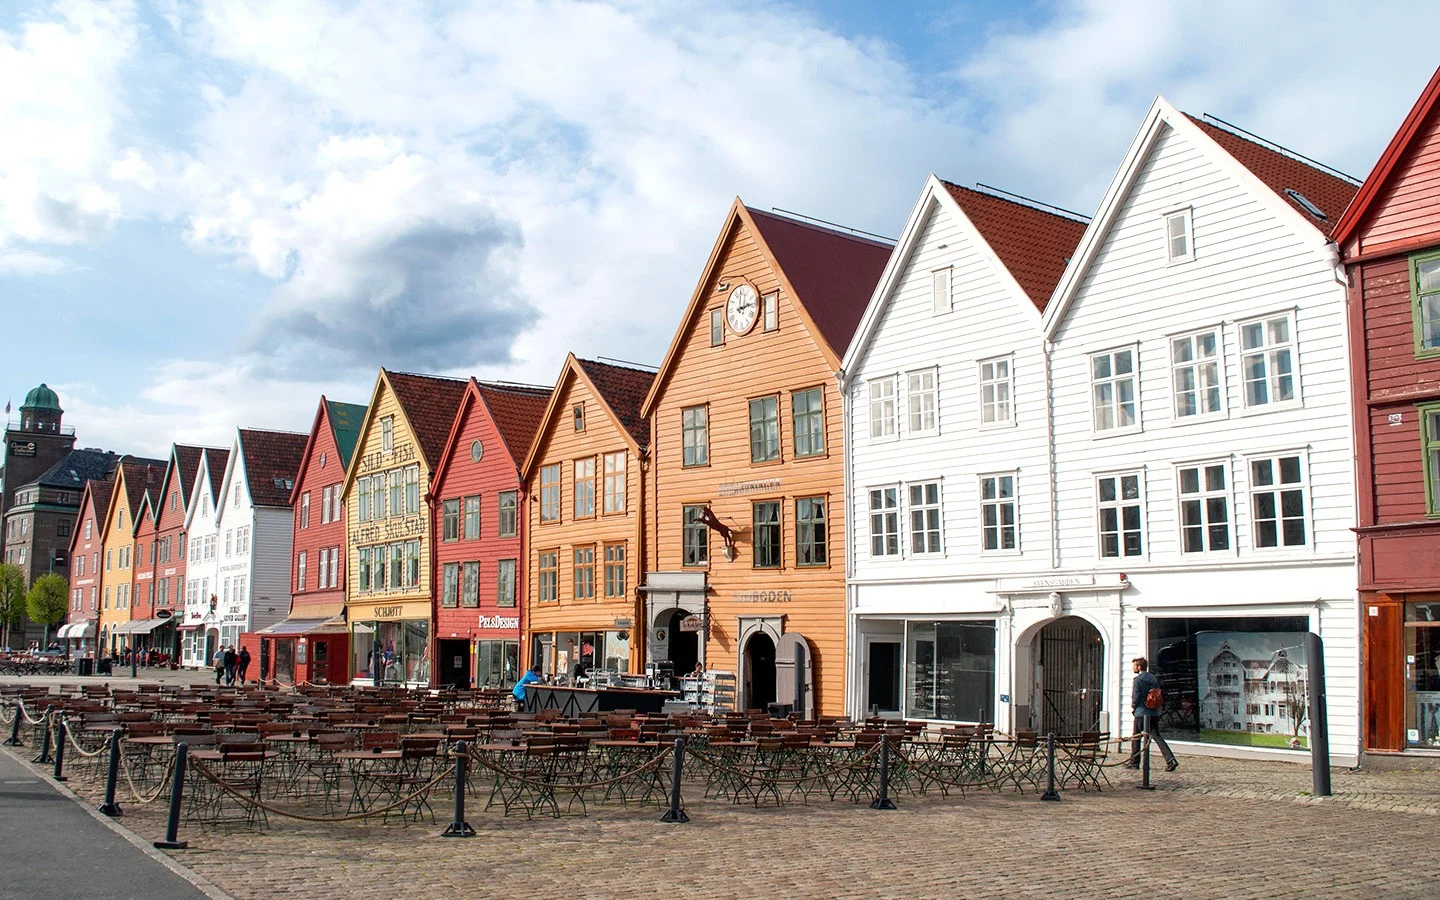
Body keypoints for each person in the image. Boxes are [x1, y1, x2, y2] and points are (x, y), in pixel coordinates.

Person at [1126, 656, 1178, 771]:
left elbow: (1136, 697)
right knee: (1156, 735)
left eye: (1134, 666)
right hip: (1153, 711)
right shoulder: (1153, 678)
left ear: (1139, 667)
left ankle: (1134, 762)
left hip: (1141, 712)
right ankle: (1170, 759)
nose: (1133, 668)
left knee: (1136, 737)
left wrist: (1133, 707)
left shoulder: (1138, 680)